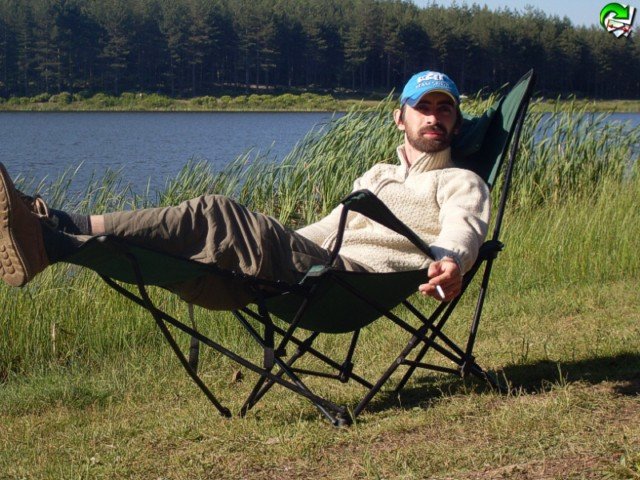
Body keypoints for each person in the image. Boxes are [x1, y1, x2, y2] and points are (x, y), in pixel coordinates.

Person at [0, 70, 490, 309]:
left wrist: (451, 262)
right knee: (193, 262)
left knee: (214, 213)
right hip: (313, 266)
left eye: (444, 109)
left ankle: (59, 225)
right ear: (400, 118)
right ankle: (55, 243)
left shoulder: (461, 180)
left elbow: (461, 228)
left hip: (351, 283)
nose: (433, 117)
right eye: (423, 107)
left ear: (456, 121)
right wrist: (279, 236)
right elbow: (328, 227)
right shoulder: (376, 175)